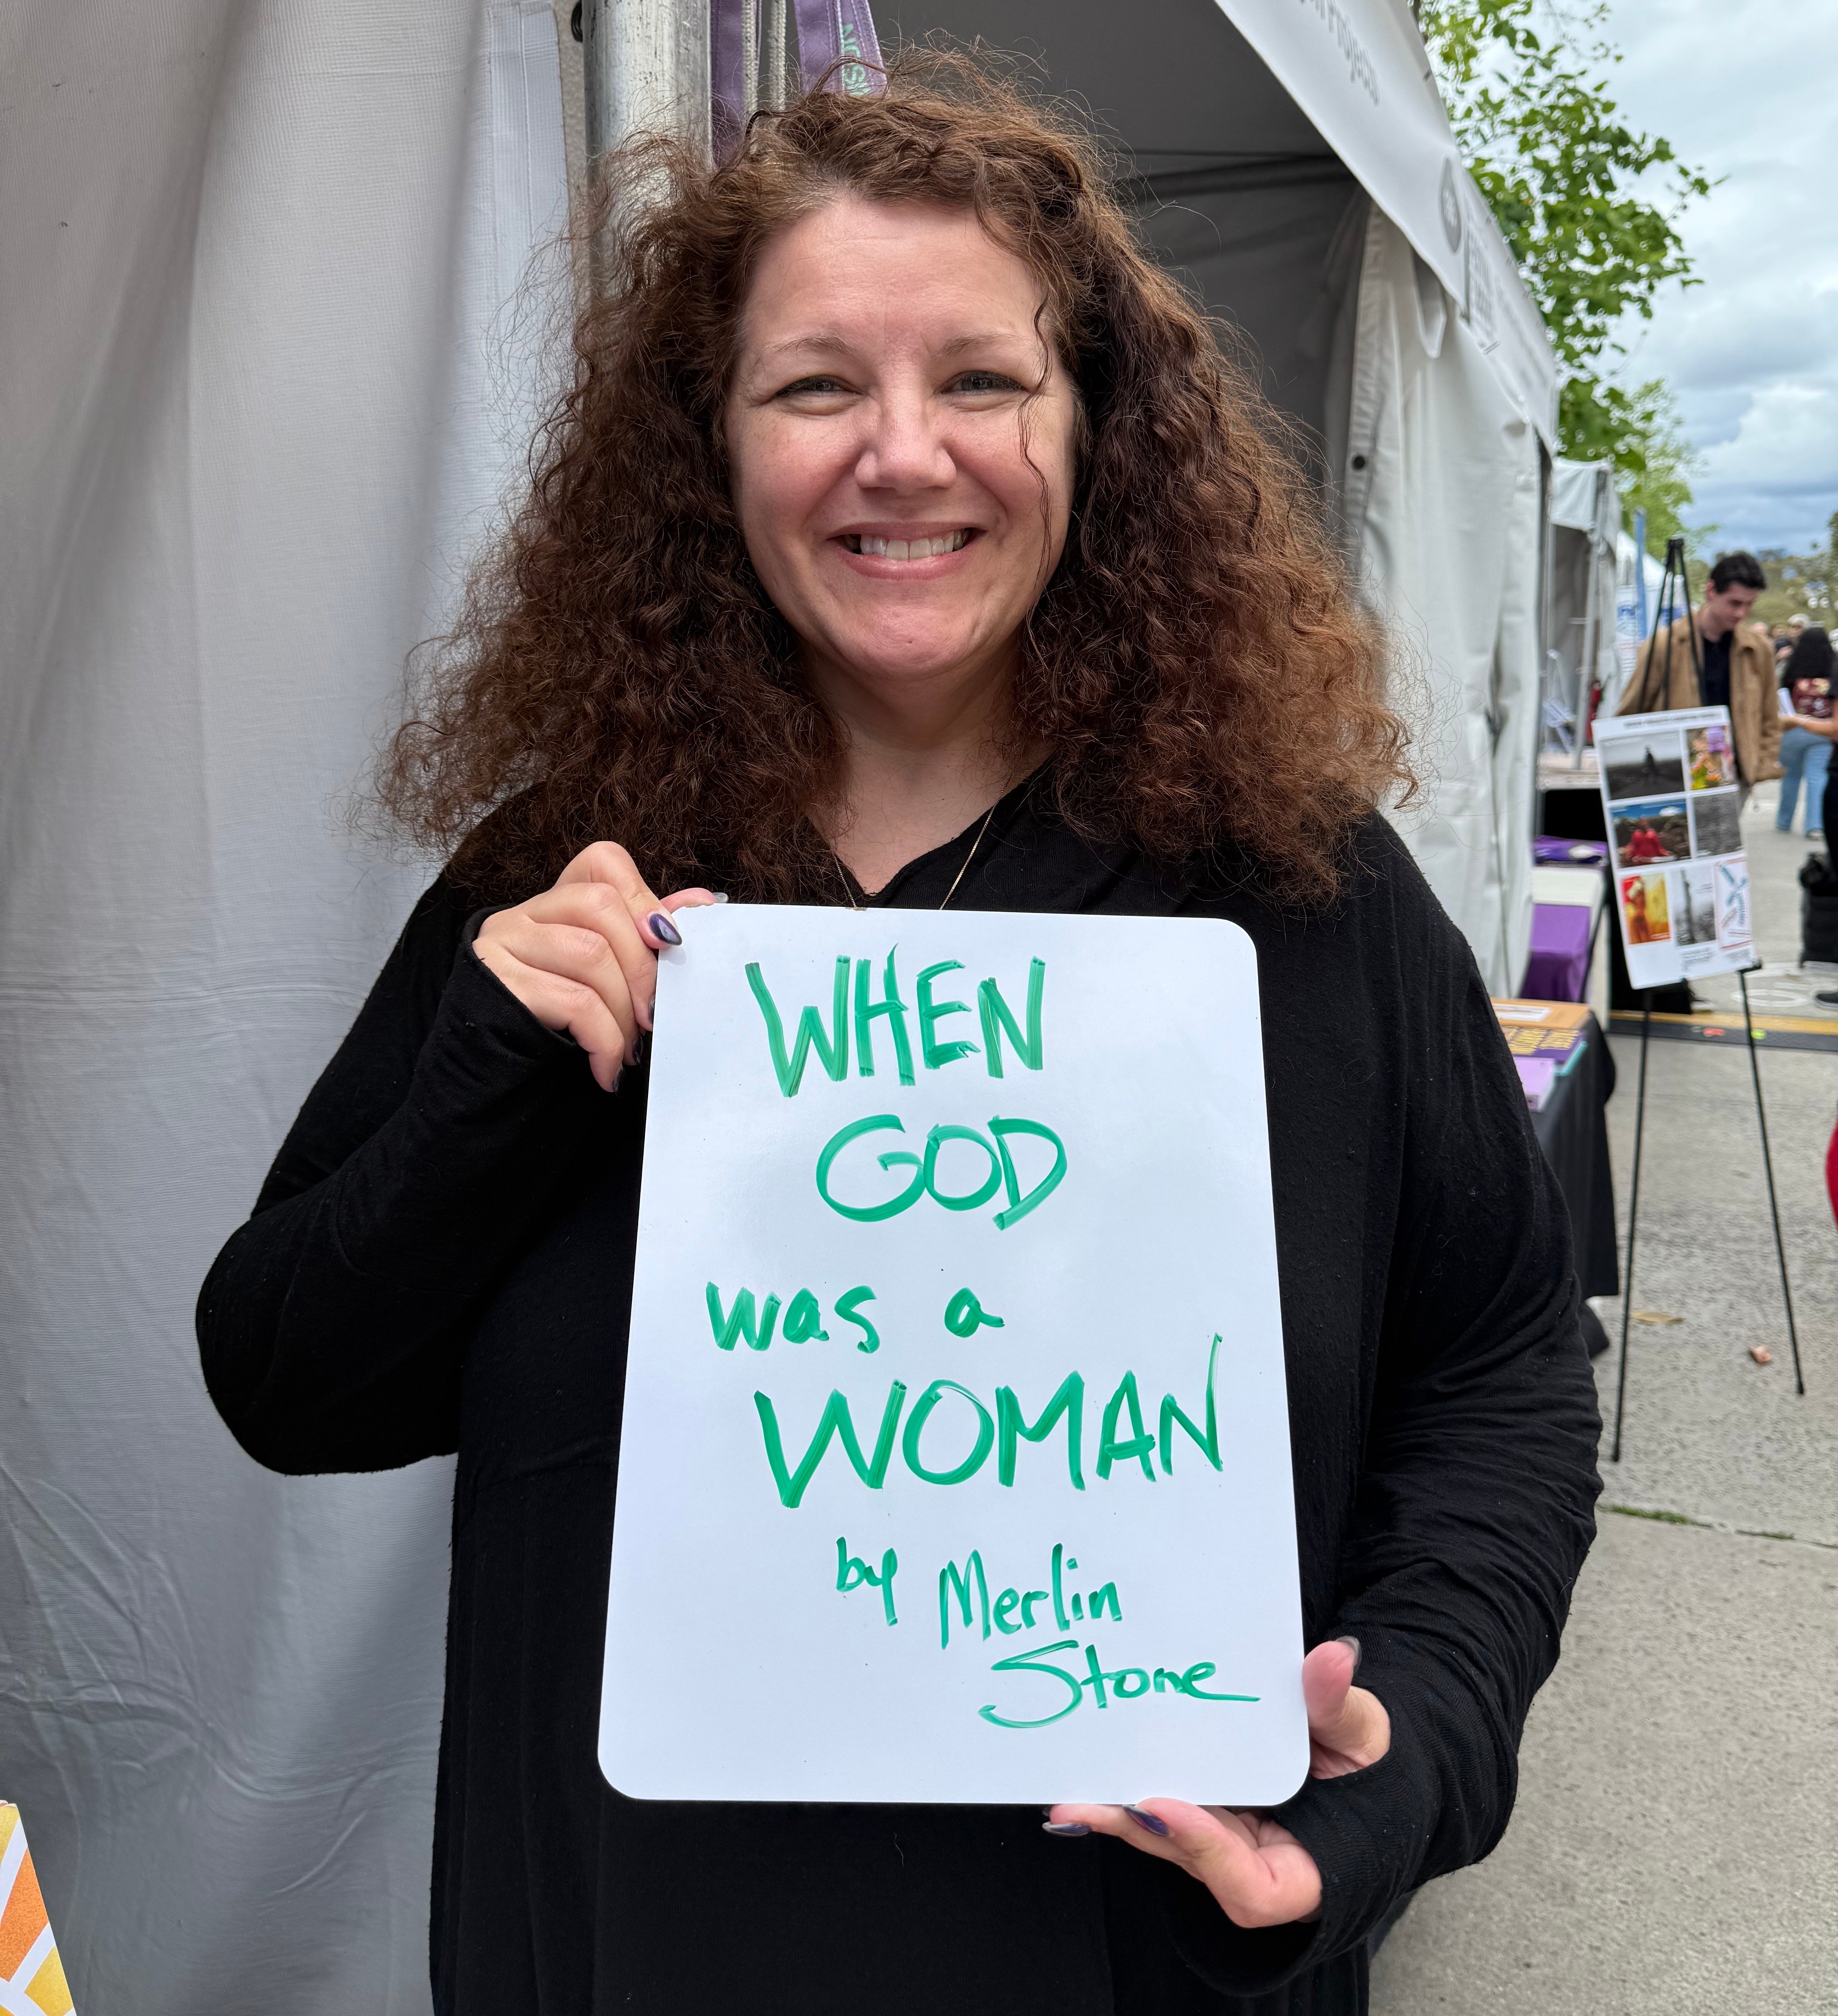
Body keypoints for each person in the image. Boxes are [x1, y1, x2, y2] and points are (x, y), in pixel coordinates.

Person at [196, 60, 1600, 2016]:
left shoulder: (1299, 890)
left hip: (1131, 1959)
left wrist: (1409, 1752)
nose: (903, 452)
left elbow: (1503, 1364)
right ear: (714, 445)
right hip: (616, 1945)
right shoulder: (569, 882)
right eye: (816, 385)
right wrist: (482, 1087)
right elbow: (287, 1375)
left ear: (1092, 426)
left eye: (980, 380)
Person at [1617, 550, 1782, 795]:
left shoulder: (1758, 649)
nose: (1741, 613)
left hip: (1734, 776)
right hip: (1676, 779)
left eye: (1750, 605)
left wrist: (1760, 763)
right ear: (1711, 591)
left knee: (1722, 835)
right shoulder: (1664, 645)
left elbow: (1770, 715)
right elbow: (1631, 712)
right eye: (1735, 603)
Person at [1776, 625, 1834, 838]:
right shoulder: (1833, 666)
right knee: (1817, 776)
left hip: (1792, 728)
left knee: (1790, 775)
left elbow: (1778, 689)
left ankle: (1784, 821)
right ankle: (1815, 826)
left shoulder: (1791, 664)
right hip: (1822, 730)